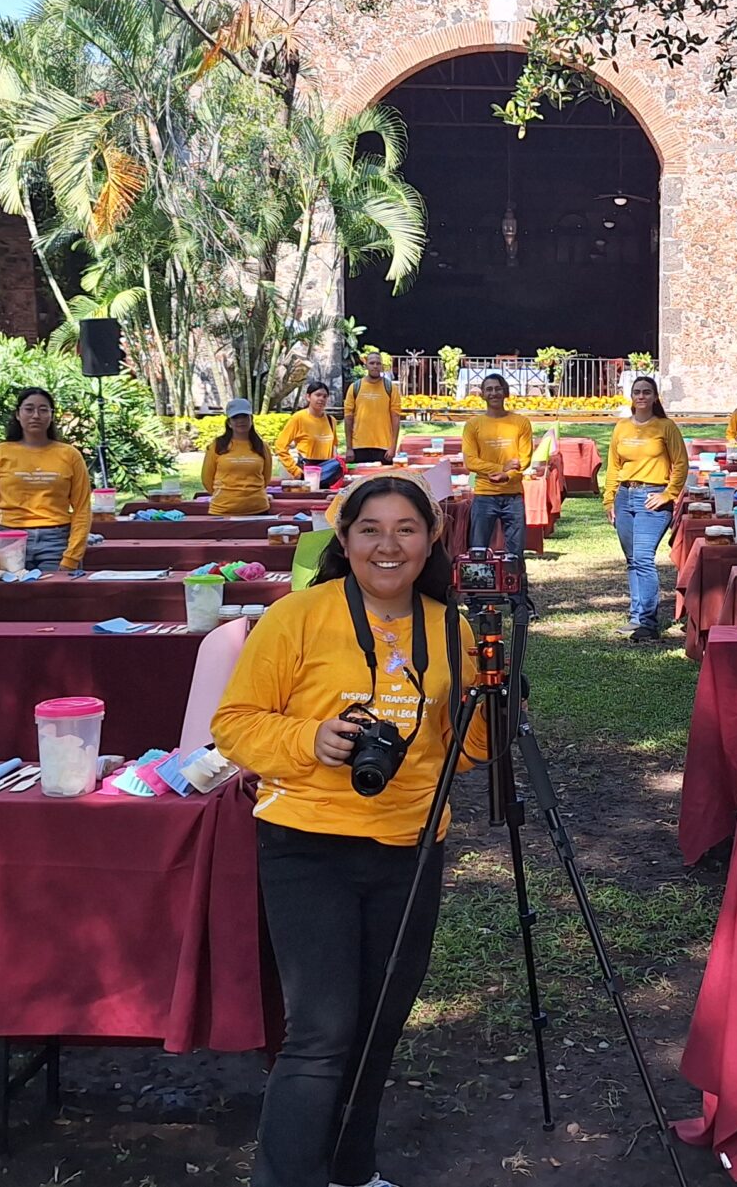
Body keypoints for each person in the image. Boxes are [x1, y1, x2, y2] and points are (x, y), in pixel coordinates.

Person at [212, 476, 489, 1187]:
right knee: (321, 1032)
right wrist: (311, 738)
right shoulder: (296, 617)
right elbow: (233, 724)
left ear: (431, 539)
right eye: (370, 529)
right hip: (307, 843)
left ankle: (351, 1171)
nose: (387, 546)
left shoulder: (449, 627)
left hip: (411, 844)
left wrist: (494, 692)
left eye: (406, 529)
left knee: (379, 1026)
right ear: (344, 538)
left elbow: (467, 750)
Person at [605, 375, 688, 643]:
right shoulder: (621, 427)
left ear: (654, 397)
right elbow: (613, 466)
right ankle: (636, 616)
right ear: (632, 396)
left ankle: (649, 623)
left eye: (646, 392)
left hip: (652, 497)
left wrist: (668, 494)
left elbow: (681, 463)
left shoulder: (665, 426)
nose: (641, 396)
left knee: (642, 558)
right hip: (624, 496)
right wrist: (609, 499)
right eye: (637, 392)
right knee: (632, 560)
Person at [0, 387, 92, 570]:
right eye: (29, 409)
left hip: (57, 539)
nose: (36, 415)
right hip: (8, 538)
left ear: (51, 415)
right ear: (18, 414)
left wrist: (72, 557)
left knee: (57, 588)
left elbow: (82, 509)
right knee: (9, 589)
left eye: (43, 410)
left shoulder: (70, 455)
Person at [460, 373, 539, 598]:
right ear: (482, 395)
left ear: (505, 392)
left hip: (513, 496)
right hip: (484, 496)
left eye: (497, 388)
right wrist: (501, 467)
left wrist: (507, 475)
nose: (494, 393)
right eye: (489, 389)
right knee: (478, 552)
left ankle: (518, 600)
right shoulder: (473, 425)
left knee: (515, 553)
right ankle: (478, 600)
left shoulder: (521, 423)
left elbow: (524, 459)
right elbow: (470, 461)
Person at [204, 400, 275, 516]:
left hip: (258, 509)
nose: (241, 421)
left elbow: (266, 477)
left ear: (251, 419)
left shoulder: (262, 446)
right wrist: (225, 496)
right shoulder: (217, 446)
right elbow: (207, 479)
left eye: (244, 416)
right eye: (235, 417)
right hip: (222, 510)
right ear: (229, 422)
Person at [276, 381, 343, 489]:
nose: (321, 399)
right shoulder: (299, 418)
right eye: (318, 395)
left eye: (325, 396)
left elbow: (334, 447)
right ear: (308, 397)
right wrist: (295, 470)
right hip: (306, 472)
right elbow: (280, 446)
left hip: (327, 474)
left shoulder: (331, 421)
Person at [345, 351, 399, 465]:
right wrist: (349, 448)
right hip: (359, 446)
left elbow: (395, 418)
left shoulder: (390, 388)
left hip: (384, 447)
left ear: (382, 366)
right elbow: (348, 418)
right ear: (366, 365)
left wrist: (393, 447)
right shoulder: (355, 387)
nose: (375, 366)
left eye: (378, 363)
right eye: (372, 363)